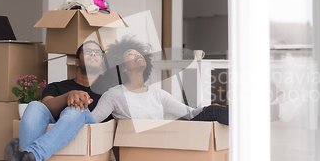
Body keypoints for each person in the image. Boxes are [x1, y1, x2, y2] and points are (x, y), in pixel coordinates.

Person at [5, 41, 112, 161]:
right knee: (35, 105)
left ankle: (30, 156)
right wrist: (68, 96)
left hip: (89, 127)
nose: (93, 54)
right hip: (59, 124)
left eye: (98, 53)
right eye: (87, 51)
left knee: (77, 109)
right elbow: (46, 106)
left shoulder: (108, 92)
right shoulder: (57, 87)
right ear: (76, 62)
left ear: (102, 65)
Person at [91, 36, 229, 125]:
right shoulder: (113, 95)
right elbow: (91, 121)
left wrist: (208, 108)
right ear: (122, 67)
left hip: (161, 140)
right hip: (137, 145)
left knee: (214, 110)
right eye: (130, 54)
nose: (138, 55)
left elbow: (189, 114)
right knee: (215, 111)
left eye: (139, 53)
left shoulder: (158, 94)